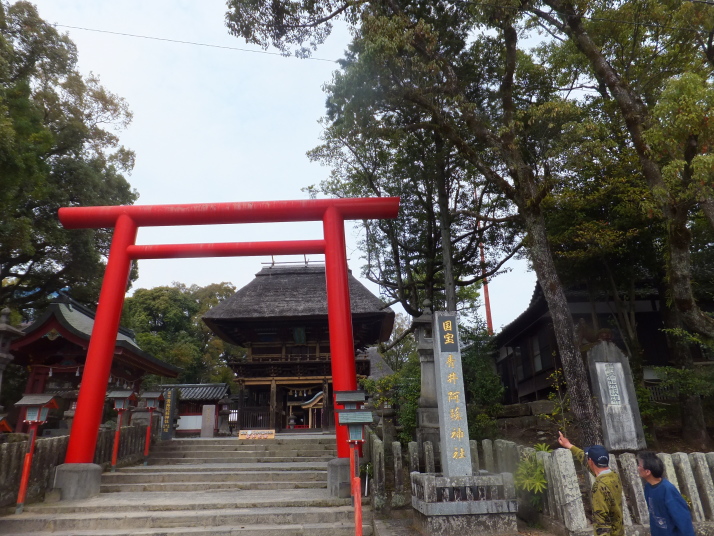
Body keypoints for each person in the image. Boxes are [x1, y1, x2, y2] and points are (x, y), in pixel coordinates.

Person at [558, 431, 624, 536]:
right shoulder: (614, 476)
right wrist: (569, 445)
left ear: (591, 461)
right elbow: (586, 461)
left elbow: (601, 522)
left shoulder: (599, 487)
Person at [637, 451, 695, 536]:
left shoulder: (668, 490)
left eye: (639, 465)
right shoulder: (648, 487)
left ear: (647, 472)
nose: (637, 468)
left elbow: (683, 518)